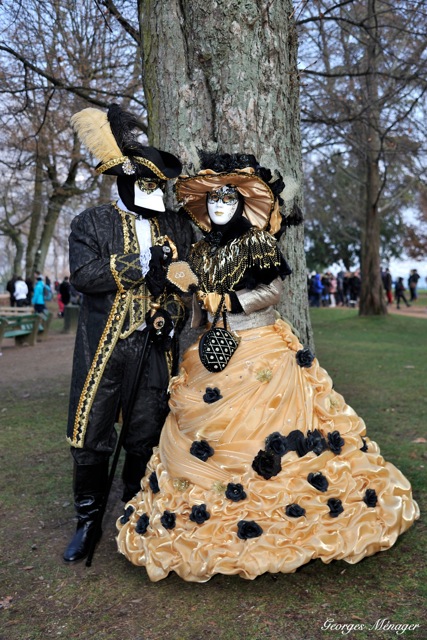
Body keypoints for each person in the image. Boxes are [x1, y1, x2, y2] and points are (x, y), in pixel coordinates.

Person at [116, 153, 419, 582]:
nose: (220, 208)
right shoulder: (201, 250)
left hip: (260, 345)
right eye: (214, 202)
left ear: (240, 204)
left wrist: (232, 301)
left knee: (271, 429)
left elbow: (273, 289)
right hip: (211, 352)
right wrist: (189, 296)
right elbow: (199, 307)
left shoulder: (258, 241)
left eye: (228, 200)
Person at [62, 104, 194, 563]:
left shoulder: (176, 225)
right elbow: (85, 275)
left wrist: (170, 305)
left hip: (155, 349)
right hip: (104, 347)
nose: (154, 193)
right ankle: (87, 521)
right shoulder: (91, 223)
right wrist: (137, 267)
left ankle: (135, 512)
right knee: (92, 431)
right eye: (146, 184)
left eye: (159, 186)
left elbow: (186, 284)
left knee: (146, 431)